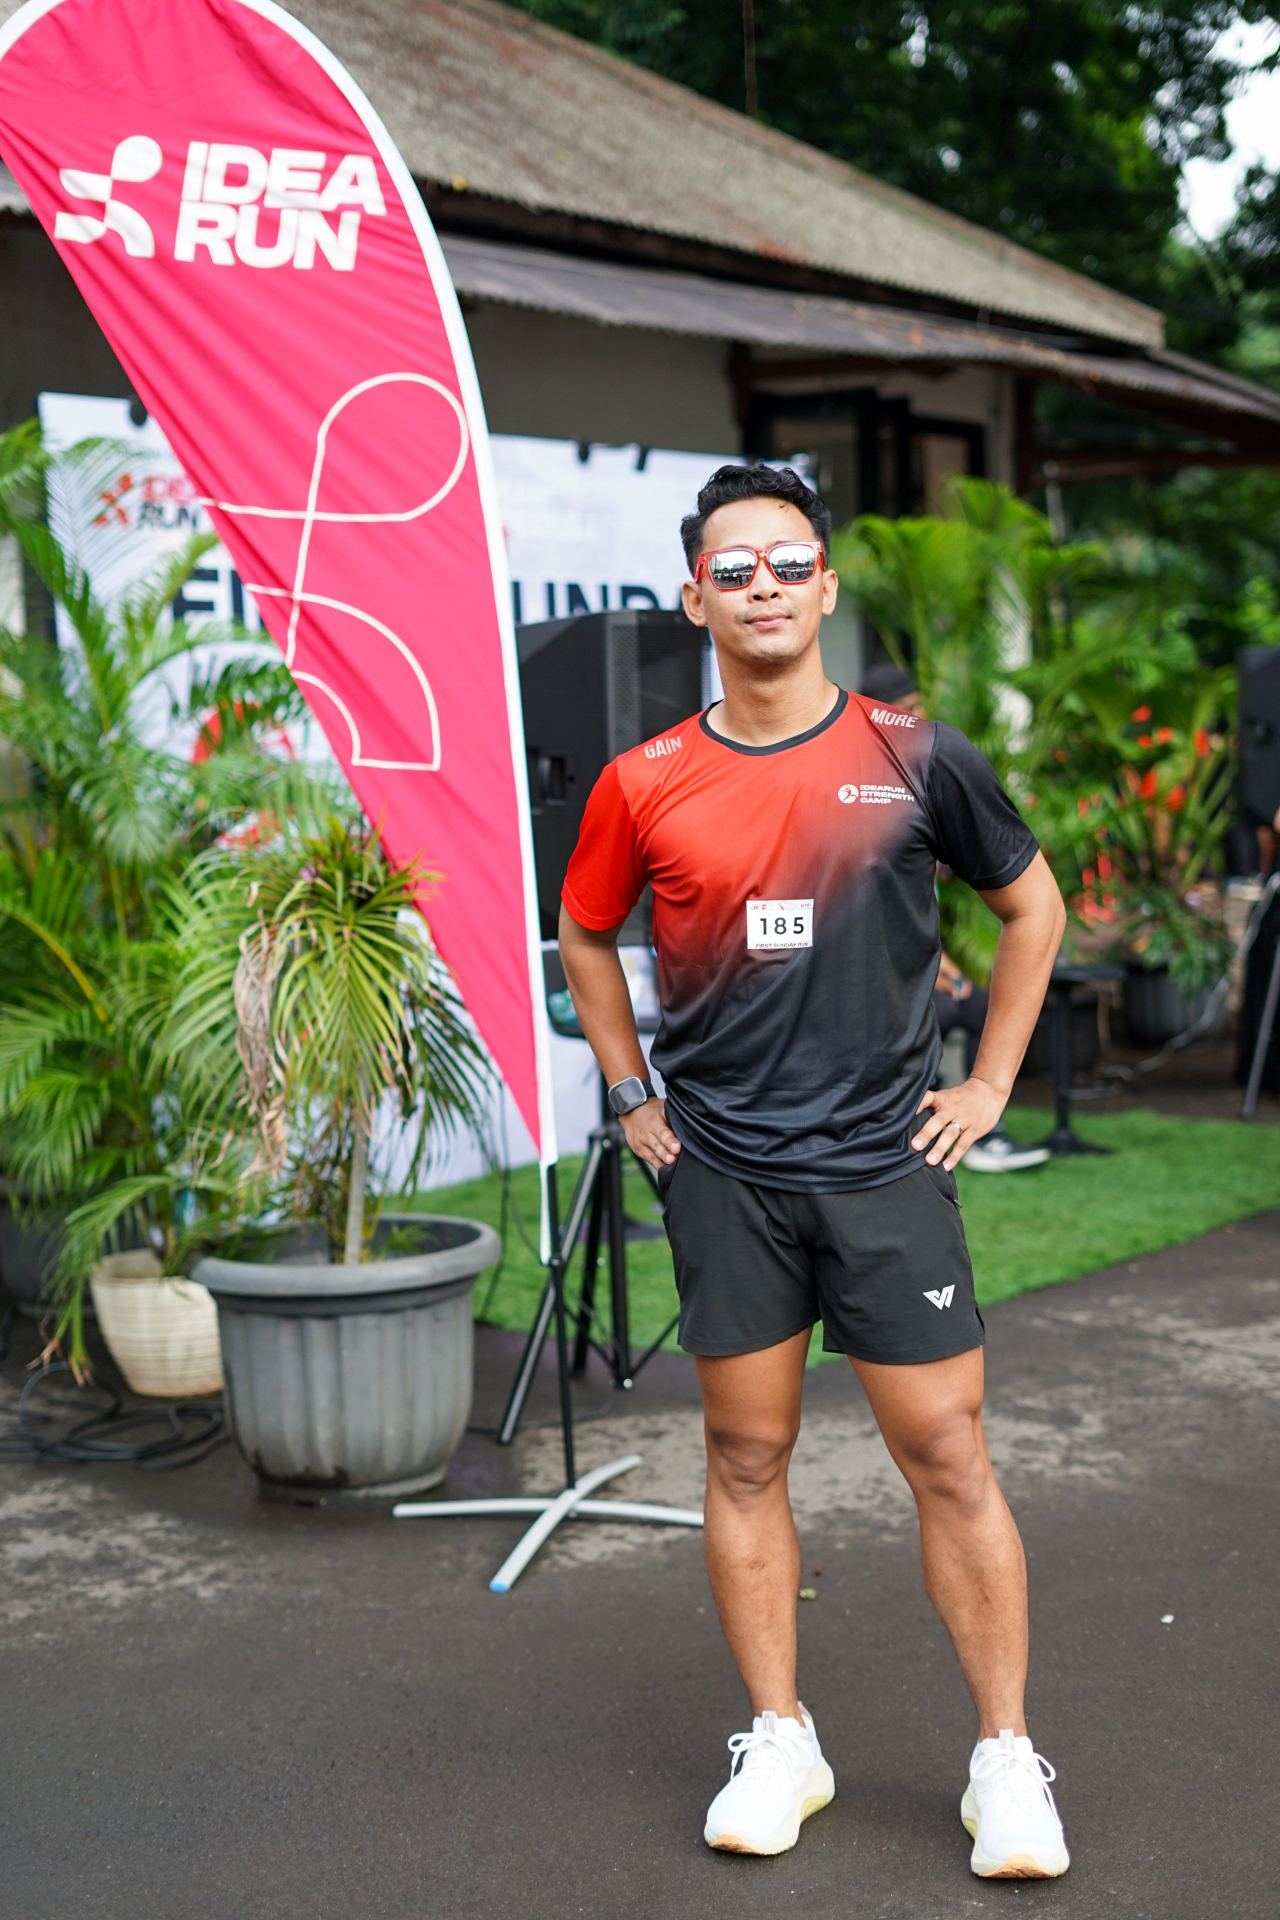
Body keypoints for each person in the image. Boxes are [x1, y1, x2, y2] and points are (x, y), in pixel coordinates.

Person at [558, 464, 1070, 1879]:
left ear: (825, 587)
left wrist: (988, 1083)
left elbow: (1032, 907)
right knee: (743, 1455)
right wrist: (628, 1091)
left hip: (882, 1166)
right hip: (723, 1170)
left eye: (789, 563)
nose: (764, 587)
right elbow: (586, 931)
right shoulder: (642, 780)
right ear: (695, 599)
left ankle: (1004, 1761)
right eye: (734, 569)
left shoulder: (914, 755)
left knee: (948, 1456)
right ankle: (781, 1737)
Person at [861, 667, 1049, 1173]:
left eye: (919, 705)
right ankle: (920, 1132)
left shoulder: (929, 772)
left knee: (979, 1002)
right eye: (908, 707)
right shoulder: (861, 793)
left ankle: (984, 1131)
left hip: (919, 967)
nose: (918, 716)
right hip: (876, 990)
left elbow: (1033, 904)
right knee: (937, 1014)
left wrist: (943, 966)